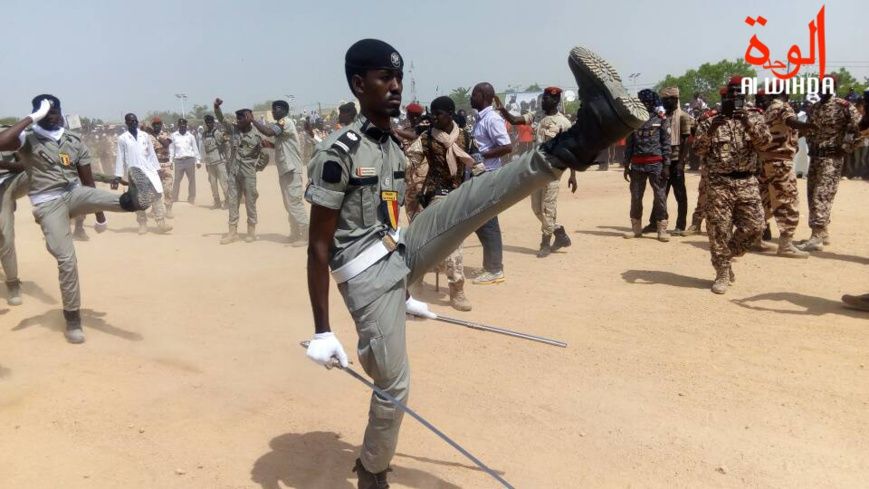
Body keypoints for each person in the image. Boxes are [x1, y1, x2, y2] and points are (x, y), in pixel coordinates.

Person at [303, 39, 646, 489]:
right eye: (384, 78)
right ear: (357, 83)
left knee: (473, 201)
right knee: (394, 387)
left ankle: (588, 134)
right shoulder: (338, 152)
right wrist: (324, 331)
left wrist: (404, 287)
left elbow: (389, 217)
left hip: (399, 252)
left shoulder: (390, 146)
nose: (395, 86)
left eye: (399, 77)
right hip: (366, 280)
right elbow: (318, 248)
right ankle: (371, 471)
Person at [0, 95, 155, 343]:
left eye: (56, 111)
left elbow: (88, 181)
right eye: (47, 113)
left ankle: (132, 201)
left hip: (73, 192)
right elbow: (1, 142)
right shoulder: (26, 139)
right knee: (67, 260)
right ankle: (73, 319)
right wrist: (34, 117)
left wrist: (101, 218)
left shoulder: (73, 141)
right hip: (47, 203)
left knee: (99, 195)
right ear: (38, 113)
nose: (54, 116)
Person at [692, 78, 772, 294]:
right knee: (719, 230)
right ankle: (722, 273)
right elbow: (697, 150)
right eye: (731, 94)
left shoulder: (755, 116)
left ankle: (725, 257)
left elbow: (765, 143)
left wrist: (747, 123)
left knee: (756, 227)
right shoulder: (710, 119)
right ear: (724, 95)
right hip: (719, 182)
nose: (735, 97)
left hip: (747, 181)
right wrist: (711, 130)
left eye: (740, 93)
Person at [405, 95, 478, 311]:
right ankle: (418, 280)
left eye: (439, 113)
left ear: (450, 113)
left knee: (453, 242)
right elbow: (410, 162)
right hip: (435, 195)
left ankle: (457, 289)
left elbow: (477, 163)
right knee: (426, 241)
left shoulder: (465, 136)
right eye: (433, 113)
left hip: (459, 195)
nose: (434, 118)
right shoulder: (426, 138)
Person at [497, 86, 576, 257]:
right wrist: (503, 111)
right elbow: (516, 120)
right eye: (543, 98)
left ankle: (545, 243)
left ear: (555, 101)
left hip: (553, 171)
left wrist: (573, 175)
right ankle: (559, 233)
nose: (543, 101)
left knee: (548, 208)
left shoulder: (564, 123)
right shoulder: (537, 115)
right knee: (536, 209)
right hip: (536, 169)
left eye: (547, 99)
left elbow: (571, 151)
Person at [797, 74, 863, 251]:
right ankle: (822, 231)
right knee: (812, 195)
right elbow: (809, 129)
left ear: (834, 87)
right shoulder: (815, 107)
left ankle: (816, 236)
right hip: (816, 157)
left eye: (829, 84)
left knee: (822, 194)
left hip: (832, 159)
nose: (824, 87)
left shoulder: (844, 107)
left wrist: (846, 148)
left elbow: (861, 129)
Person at [754, 90, 812, 257]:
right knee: (787, 201)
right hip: (781, 162)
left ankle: (754, 237)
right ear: (785, 94)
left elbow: (781, 131)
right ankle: (785, 244)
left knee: (764, 201)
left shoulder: (768, 110)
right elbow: (791, 121)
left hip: (766, 161)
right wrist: (809, 126)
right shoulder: (783, 107)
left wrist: (799, 133)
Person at [469, 82, 512, 284]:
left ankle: (495, 269)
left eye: (474, 94)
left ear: (484, 95)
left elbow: (506, 146)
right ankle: (490, 266)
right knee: (480, 222)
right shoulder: (480, 119)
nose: (471, 97)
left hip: (488, 175)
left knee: (488, 223)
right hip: (479, 175)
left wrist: (481, 155)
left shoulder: (492, 118)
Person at [251, 100, 310, 245]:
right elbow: (278, 144)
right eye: (272, 109)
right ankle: (295, 232)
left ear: (284, 110)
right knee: (288, 203)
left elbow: (268, 131)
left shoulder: (285, 122)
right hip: (285, 170)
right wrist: (268, 144)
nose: (273, 112)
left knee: (294, 202)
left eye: (276, 109)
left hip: (292, 169)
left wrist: (252, 119)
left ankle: (306, 233)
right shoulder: (282, 129)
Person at [214, 98, 266, 244]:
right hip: (234, 173)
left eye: (241, 118)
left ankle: (251, 231)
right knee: (232, 201)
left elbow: (265, 155)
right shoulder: (233, 129)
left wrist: (256, 168)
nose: (237, 120)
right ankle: (232, 232)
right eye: (237, 118)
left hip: (248, 174)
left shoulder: (257, 135)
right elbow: (222, 119)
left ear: (249, 119)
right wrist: (216, 107)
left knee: (250, 202)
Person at [622, 89, 671, 242]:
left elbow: (666, 144)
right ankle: (636, 229)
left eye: (649, 101)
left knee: (660, 197)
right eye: (643, 102)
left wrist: (667, 165)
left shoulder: (661, 119)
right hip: (637, 165)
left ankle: (662, 230)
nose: (646, 104)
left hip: (656, 164)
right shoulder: (633, 120)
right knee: (636, 197)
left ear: (654, 102)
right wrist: (626, 165)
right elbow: (629, 144)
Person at [114, 113, 172, 235]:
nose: (133, 123)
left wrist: (157, 170)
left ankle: (161, 222)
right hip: (133, 172)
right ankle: (142, 224)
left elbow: (151, 154)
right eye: (130, 121)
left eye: (135, 121)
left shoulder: (145, 135)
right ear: (127, 123)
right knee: (137, 199)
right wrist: (118, 176)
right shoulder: (122, 139)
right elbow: (120, 157)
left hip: (148, 170)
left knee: (156, 196)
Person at [648, 86, 692, 235]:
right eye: (663, 99)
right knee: (660, 194)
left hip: (675, 160)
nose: (664, 102)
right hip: (662, 160)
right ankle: (655, 223)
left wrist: (681, 162)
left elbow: (686, 140)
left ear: (675, 99)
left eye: (666, 100)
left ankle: (680, 225)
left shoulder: (683, 117)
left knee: (680, 194)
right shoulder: (661, 116)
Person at [0, 140, 29, 305]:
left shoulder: (6, 135)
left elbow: (24, 165)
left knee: (5, 236)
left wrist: (2, 164)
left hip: (8, 183)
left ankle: (12, 284)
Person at [142, 117, 174, 218]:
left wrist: (155, 134)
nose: (157, 125)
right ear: (153, 125)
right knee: (155, 189)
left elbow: (166, 144)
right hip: (154, 167)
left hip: (166, 165)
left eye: (158, 124)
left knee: (167, 189)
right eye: (155, 124)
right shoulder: (148, 137)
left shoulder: (166, 134)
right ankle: (154, 209)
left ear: (161, 124)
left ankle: (168, 209)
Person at [200, 114, 230, 209]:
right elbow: (204, 148)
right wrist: (205, 162)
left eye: (210, 122)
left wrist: (227, 158)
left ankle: (228, 201)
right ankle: (217, 201)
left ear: (213, 122)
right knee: (213, 184)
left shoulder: (218, 133)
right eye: (207, 122)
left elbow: (226, 144)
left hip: (219, 161)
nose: (208, 124)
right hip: (210, 163)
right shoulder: (204, 134)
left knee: (224, 182)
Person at [168, 118, 200, 205]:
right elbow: (171, 149)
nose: (183, 127)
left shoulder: (191, 136)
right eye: (181, 126)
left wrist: (198, 160)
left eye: (184, 126)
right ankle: (174, 198)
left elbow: (195, 148)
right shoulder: (173, 136)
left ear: (186, 126)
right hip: (178, 161)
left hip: (189, 160)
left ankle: (191, 198)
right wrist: (170, 160)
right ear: (178, 126)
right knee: (177, 180)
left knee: (192, 180)